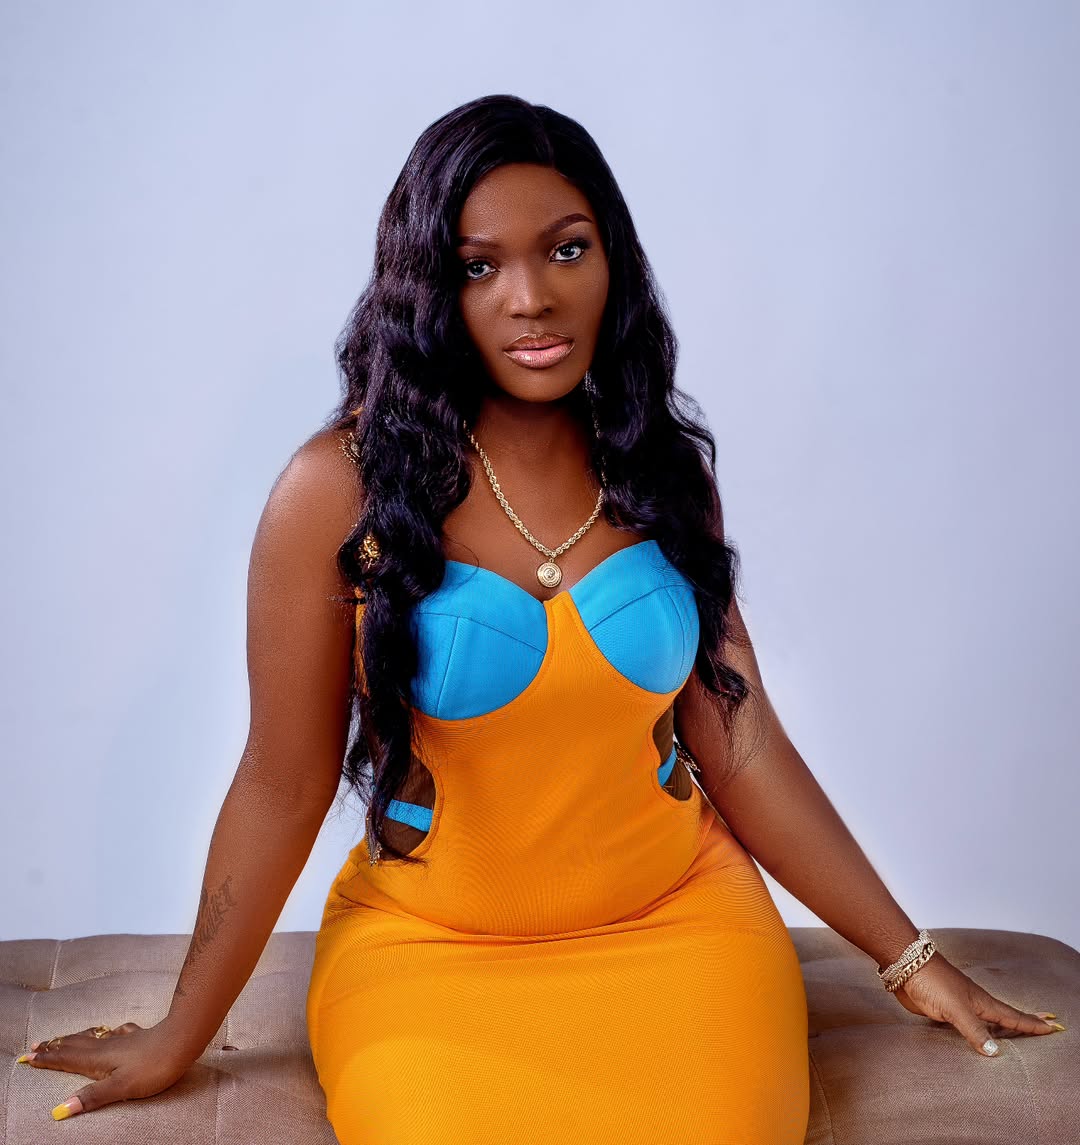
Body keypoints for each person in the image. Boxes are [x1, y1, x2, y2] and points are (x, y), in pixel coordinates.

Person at [16, 94, 1064, 1143]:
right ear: (428, 286)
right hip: (430, 952)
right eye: (480, 266)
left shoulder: (656, 469)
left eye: (567, 249)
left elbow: (741, 742)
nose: (532, 297)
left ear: (613, 260)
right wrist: (181, 1029)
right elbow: (280, 785)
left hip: (681, 924)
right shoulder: (337, 489)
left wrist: (909, 959)